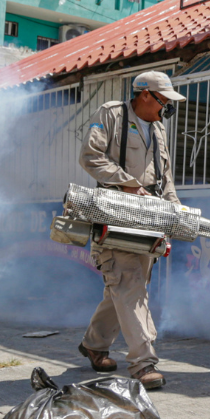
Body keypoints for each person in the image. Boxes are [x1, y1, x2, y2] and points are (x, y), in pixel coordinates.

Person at [76, 71, 184, 389]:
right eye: (164, 101)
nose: (166, 109)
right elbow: (90, 157)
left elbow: (164, 179)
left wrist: (174, 214)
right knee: (128, 282)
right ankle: (142, 362)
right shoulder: (111, 114)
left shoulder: (158, 129)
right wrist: (127, 183)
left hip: (149, 218)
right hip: (116, 212)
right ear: (146, 95)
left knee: (123, 287)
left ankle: (94, 345)